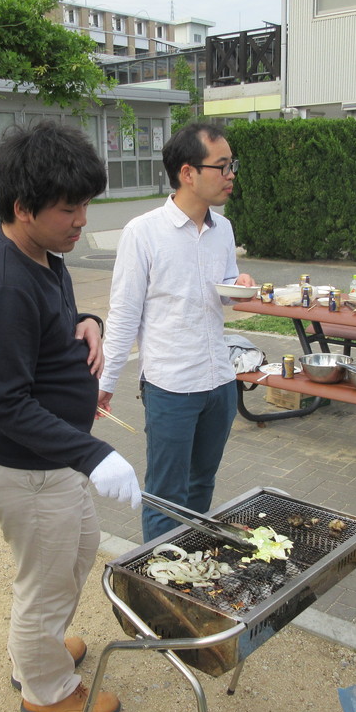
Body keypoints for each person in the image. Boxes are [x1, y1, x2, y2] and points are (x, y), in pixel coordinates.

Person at [0, 121, 141, 712]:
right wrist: (95, 454)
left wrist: (86, 321)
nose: (81, 221)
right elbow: (7, 402)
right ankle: (44, 686)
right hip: (25, 470)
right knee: (46, 580)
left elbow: (49, 326)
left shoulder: (42, 255)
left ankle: (38, 645)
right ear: (23, 207)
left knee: (77, 552)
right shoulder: (4, 286)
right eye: (69, 209)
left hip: (53, 462)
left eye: (85, 205)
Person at [98, 122, 256, 543]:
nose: (230, 175)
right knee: (166, 494)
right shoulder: (143, 232)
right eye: (221, 166)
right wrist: (104, 385)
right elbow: (124, 314)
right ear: (188, 173)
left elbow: (222, 291)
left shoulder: (223, 229)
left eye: (232, 165)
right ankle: (157, 573)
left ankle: (193, 561)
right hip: (171, 386)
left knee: (202, 484)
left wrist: (237, 285)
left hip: (220, 380)